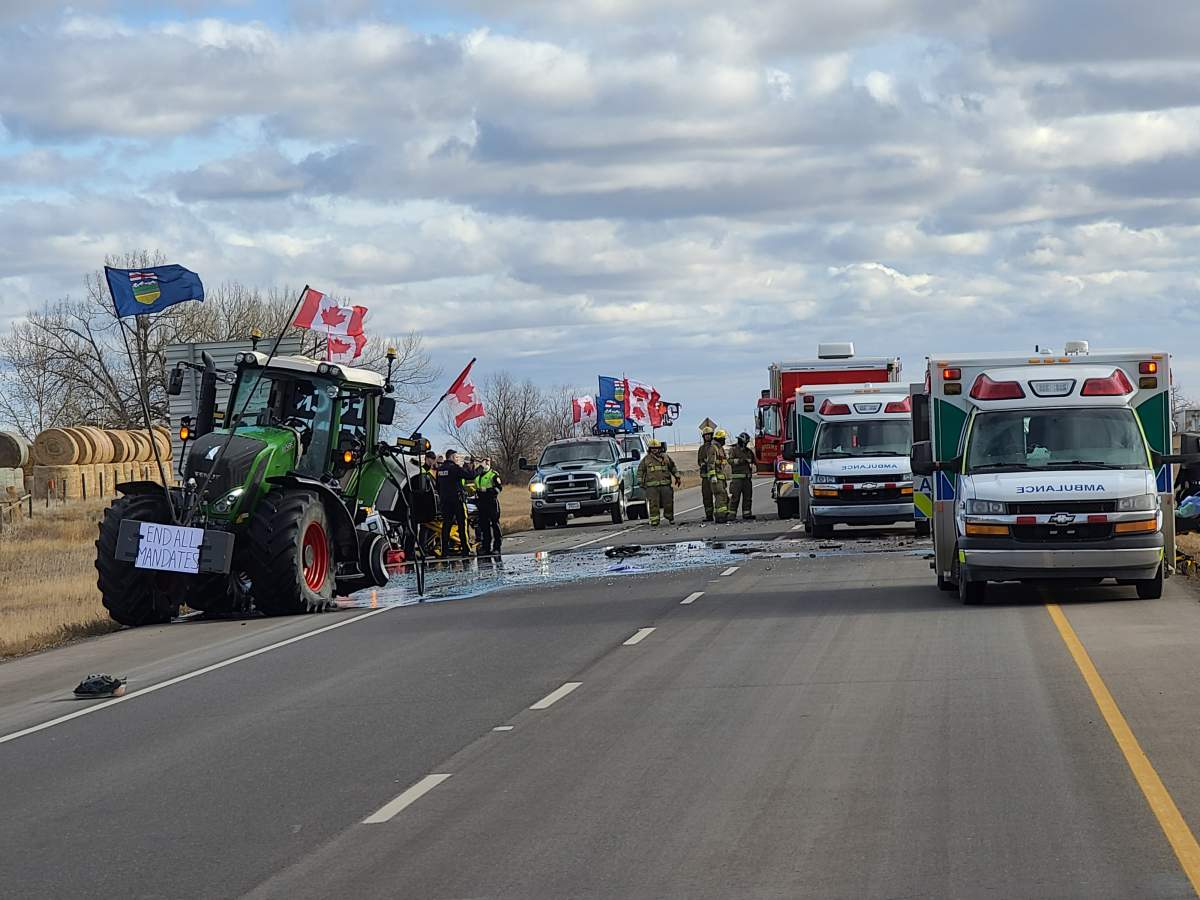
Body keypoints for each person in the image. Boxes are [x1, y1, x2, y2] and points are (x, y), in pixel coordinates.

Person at [437, 449, 475, 556]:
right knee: (462, 525)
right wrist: (478, 466)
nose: (457, 459)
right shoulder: (454, 468)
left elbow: (438, 486)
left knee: (446, 526)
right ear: (452, 457)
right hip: (457, 501)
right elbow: (470, 475)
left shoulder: (440, 470)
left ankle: (444, 551)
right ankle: (466, 550)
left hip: (445, 502)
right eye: (456, 457)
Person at [637, 439, 682, 525]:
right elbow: (640, 471)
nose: (654, 450)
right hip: (652, 487)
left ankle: (669, 517)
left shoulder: (666, 457)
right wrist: (640, 481)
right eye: (652, 448)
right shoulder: (646, 460)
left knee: (668, 502)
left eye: (656, 448)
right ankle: (655, 520)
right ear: (649, 449)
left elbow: (672, 467)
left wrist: (677, 477)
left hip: (665, 485)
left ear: (659, 448)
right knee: (653, 504)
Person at [473, 457, 504, 555]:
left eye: (487, 461)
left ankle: (497, 547)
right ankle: (486, 547)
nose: (486, 463)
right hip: (481, 503)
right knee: (484, 526)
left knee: (495, 524)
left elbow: (499, 489)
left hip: (491, 502)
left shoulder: (493, 475)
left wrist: (487, 491)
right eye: (484, 461)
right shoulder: (477, 476)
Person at [727, 432, 758, 520]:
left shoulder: (748, 451)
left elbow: (754, 461)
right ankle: (732, 515)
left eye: (746, 443)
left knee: (748, 497)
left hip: (747, 479)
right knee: (735, 497)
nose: (745, 444)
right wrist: (741, 461)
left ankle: (747, 514)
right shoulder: (733, 450)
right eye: (744, 442)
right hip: (737, 479)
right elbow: (730, 461)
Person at [697, 426, 717, 521]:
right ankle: (709, 515)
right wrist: (702, 464)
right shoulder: (701, 449)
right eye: (706, 435)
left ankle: (720, 514)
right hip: (705, 477)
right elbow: (699, 460)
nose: (707, 437)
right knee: (706, 497)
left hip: (715, 476)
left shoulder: (715, 447)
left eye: (709, 435)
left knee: (719, 496)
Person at [711, 429, 731, 523]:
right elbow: (710, 463)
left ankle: (722, 515)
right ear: (719, 439)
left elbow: (723, 461)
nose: (724, 441)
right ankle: (720, 516)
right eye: (723, 439)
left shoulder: (720, 448)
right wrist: (713, 476)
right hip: (716, 477)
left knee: (724, 496)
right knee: (720, 496)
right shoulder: (713, 448)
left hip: (721, 477)